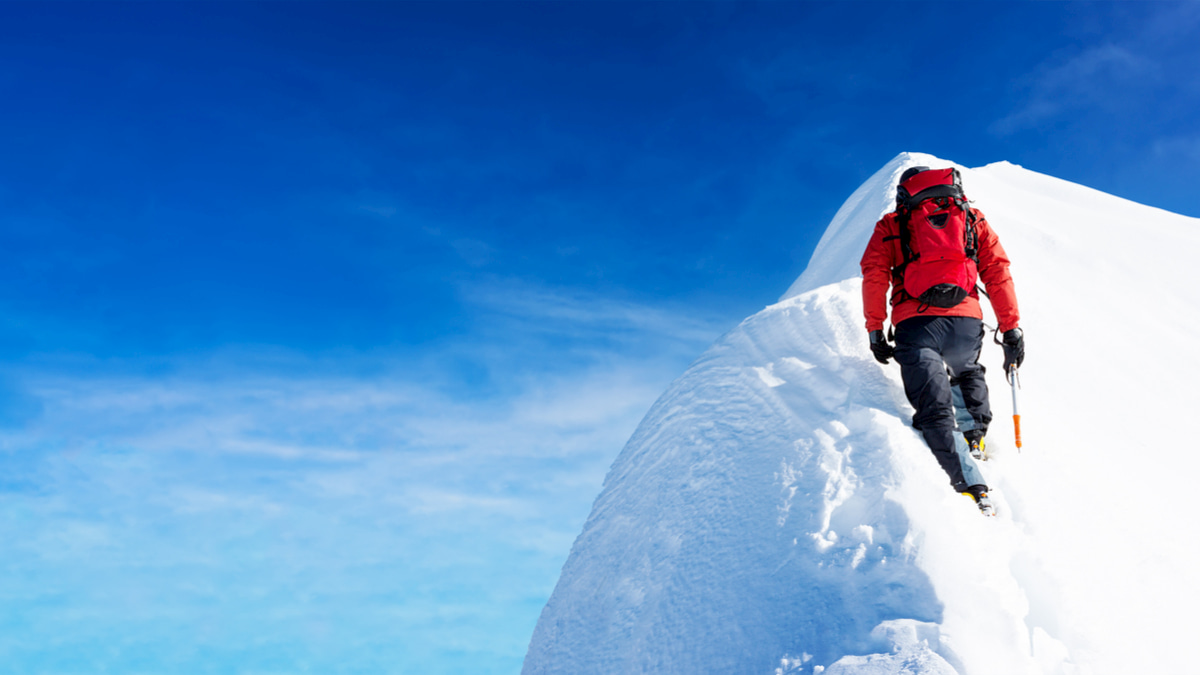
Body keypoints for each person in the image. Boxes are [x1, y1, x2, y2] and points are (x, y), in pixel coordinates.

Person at [859, 166, 1025, 516]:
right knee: (966, 371)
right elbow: (997, 270)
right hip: (966, 320)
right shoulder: (969, 216)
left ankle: (970, 487)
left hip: (915, 322)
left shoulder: (892, 225)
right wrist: (1011, 327)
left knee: (933, 406)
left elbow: (875, 274)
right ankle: (974, 436)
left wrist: (875, 329)